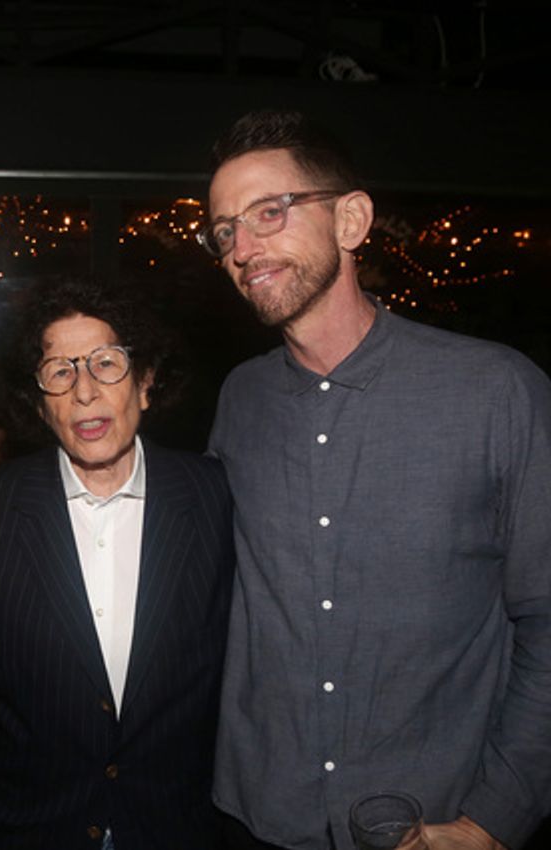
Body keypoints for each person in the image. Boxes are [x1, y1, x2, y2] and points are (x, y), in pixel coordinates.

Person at [198, 109, 551, 850]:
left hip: (433, 821)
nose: (243, 247)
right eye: (225, 230)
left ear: (353, 219)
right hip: (261, 816)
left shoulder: (495, 390)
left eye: (270, 212)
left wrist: (495, 819)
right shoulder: (240, 399)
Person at [0, 276, 235, 848]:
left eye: (106, 364)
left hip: (176, 827)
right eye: (60, 372)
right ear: (41, 407)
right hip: (32, 828)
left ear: (145, 383)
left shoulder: (215, 497)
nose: (84, 392)